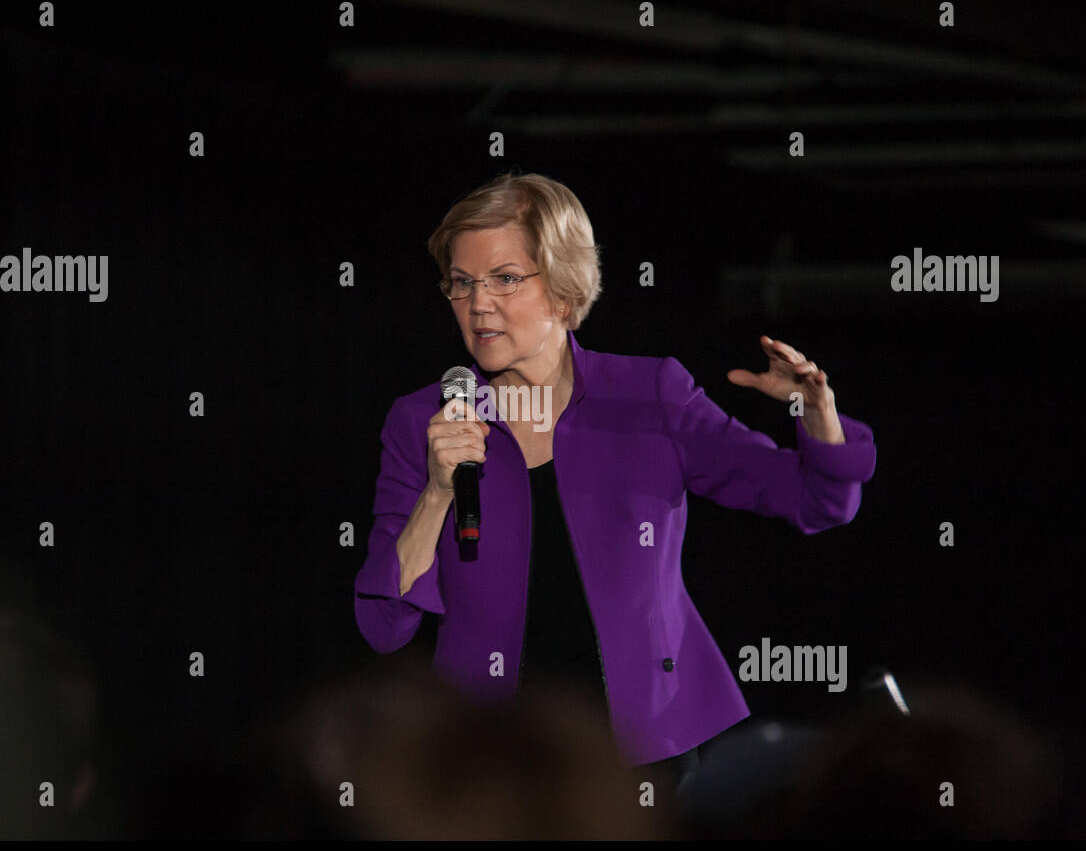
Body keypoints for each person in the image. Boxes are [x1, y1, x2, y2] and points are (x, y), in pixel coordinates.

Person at [353, 171, 877, 798]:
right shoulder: (423, 421)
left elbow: (819, 502)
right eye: (461, 283)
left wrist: (815, 414)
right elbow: (384, 625)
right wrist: (438, 492)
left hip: (644, 749)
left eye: (505, 279)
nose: (478, 303)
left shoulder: (650, 394)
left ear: (565, 293)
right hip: (493, 755)